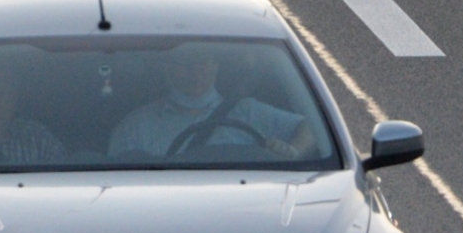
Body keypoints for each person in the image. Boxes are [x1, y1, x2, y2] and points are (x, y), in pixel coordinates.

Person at [109, 45, 318, 160]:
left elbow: (313, 127)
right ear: (167, 68)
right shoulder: (137, 125)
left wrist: (294, 151)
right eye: (185, 63)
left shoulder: (248, 111)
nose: (196, 71)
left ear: (216, 66)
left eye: (203, 61)